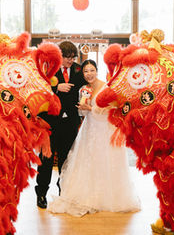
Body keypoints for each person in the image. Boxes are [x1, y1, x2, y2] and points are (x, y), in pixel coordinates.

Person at [47, 59, 141, 217]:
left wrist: (90, 108)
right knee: (88, 160)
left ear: (97, 70)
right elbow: (83, 113)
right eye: (85, 71)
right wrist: (84, 109)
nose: (89, 74)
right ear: (82, 74)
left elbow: (112, 109)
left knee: (105, 161)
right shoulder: (84, 89)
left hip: (105, 129)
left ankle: (106, 196)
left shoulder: (106, 87)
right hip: (89, 127)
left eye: (91, 70)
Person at [35, 41, 87, 209]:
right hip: (50, 122)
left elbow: (87, 87)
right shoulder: (47, 68)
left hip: (70, 123)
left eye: (72, 58)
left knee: (66, 160)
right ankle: (41, 193)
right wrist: (56, 87)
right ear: (59, 56)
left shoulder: (79, 70)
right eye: (67, 58)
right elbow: (38, 88)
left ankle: (64, 192)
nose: (70, 61)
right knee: (46, 159)